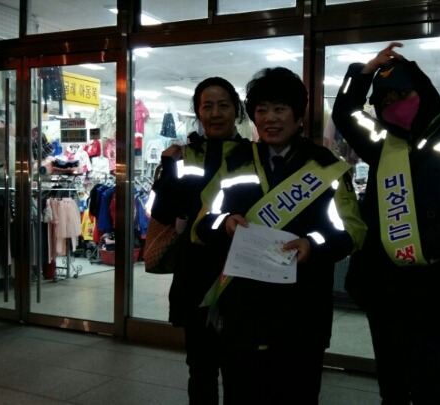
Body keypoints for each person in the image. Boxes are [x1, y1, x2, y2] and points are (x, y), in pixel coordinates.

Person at [331, 42, 440, 404]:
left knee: (428, 382)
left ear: (423, 91)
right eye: (385, 100)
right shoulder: (382, 141)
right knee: (390, 381)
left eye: (402, 94)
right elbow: (345, 112)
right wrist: (364, 71)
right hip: (381, 281)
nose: (394, 105)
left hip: (431, 282)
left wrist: (423, 246)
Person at [193, 67, 367, 404]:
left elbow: (352, 230)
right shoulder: (235, 162)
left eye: (279, 109)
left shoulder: (325, 166)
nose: (270, 118)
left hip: (302, 310)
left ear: (298, 116)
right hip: (242, 309)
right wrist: (224, 224)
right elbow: (202, 224)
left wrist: (312, 244)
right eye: (261, 110)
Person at [157, 77, 250, 405]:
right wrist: (168, 167)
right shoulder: (184, 157)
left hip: (240, 273)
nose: (215, 113)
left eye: (223, 105)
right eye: (207, 106)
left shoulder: (253, 156)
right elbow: (164, 212)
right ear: (198, 112)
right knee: (200, 367)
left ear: (236, 110)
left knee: (239, 369)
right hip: (195, 272)